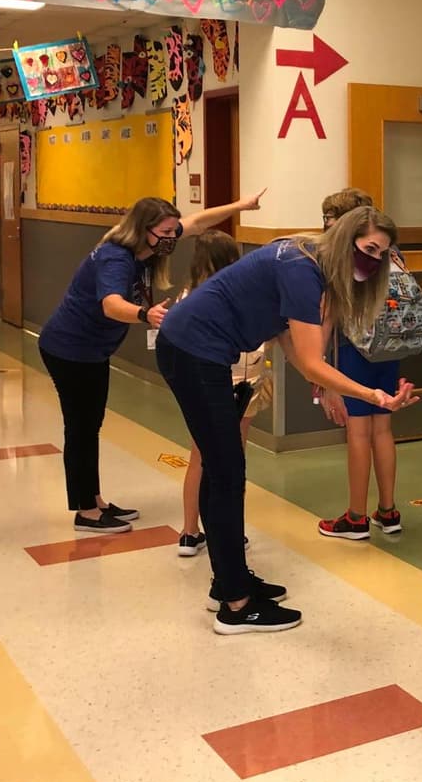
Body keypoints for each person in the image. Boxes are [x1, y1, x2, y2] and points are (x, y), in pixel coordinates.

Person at [157, 206, 418, 635]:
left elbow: (288, 341)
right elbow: (312, 361)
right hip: (193, 350)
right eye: (370, 249)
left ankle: (228, 583)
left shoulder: (306, 258)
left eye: (382, 253)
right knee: (225, 471)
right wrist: (370, 395)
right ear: (347, 237)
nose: (374, 260)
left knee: (225, 469)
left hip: (196, 349)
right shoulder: (302, 268)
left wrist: (330, 387)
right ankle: (236, 606)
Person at [38, 192, 264, 535]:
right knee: (81, 426)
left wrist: (240, 207)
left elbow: (198, 221)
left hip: (92, 350)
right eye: (166, 232)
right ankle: (86, 511)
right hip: (70, 348)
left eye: (174, 231)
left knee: (90, 423)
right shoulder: (117, 257)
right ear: (145, 229)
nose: (173, 238)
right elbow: (111, 305)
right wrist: (146, 313)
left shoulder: (149, 245)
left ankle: (94, 499)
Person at [176, 230, 271, 556]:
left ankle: (190, 532)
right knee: (234, 460)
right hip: (241, 384)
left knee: (199, 457)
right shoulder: (239, 294)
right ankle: (232, 530)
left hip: (198, 385)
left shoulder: (187, 297)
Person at [316, 188, 402, 540]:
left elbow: (326, 316)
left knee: (358, 431)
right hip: (388, 349)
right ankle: (388, 510)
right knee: (382, 430)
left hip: (352, 351)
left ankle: (355, 516)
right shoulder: (390, 252)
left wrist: (318, 371)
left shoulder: (342, 259)